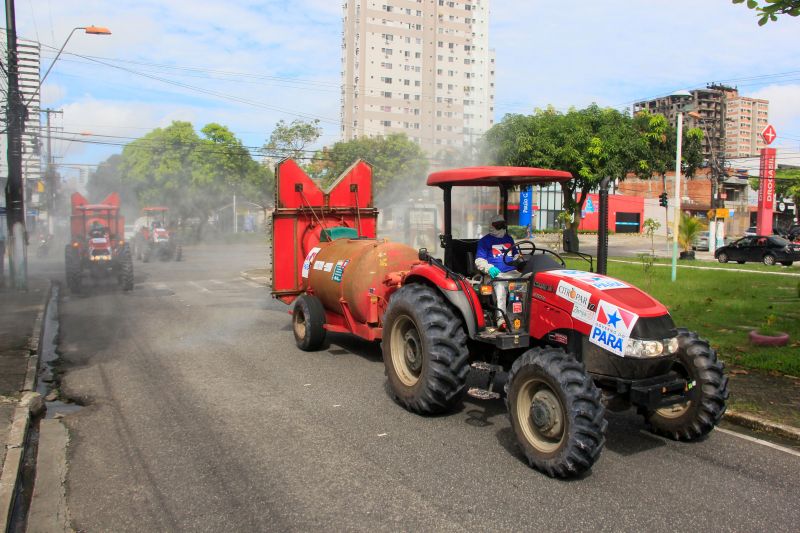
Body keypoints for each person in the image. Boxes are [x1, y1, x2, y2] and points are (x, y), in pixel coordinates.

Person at [475, 214, 523, 331]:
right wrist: (489, 268)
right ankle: (501, 319)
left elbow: (515, 254)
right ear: (492, 226)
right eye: (498, 225)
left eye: (502, 225)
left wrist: (519, 259)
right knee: (501, 287)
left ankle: (522, 316)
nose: (501, 228)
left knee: (527, 282)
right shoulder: (485, 241)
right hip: (495, 275)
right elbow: (479, 260)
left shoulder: (509, 239)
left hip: (512, 272)